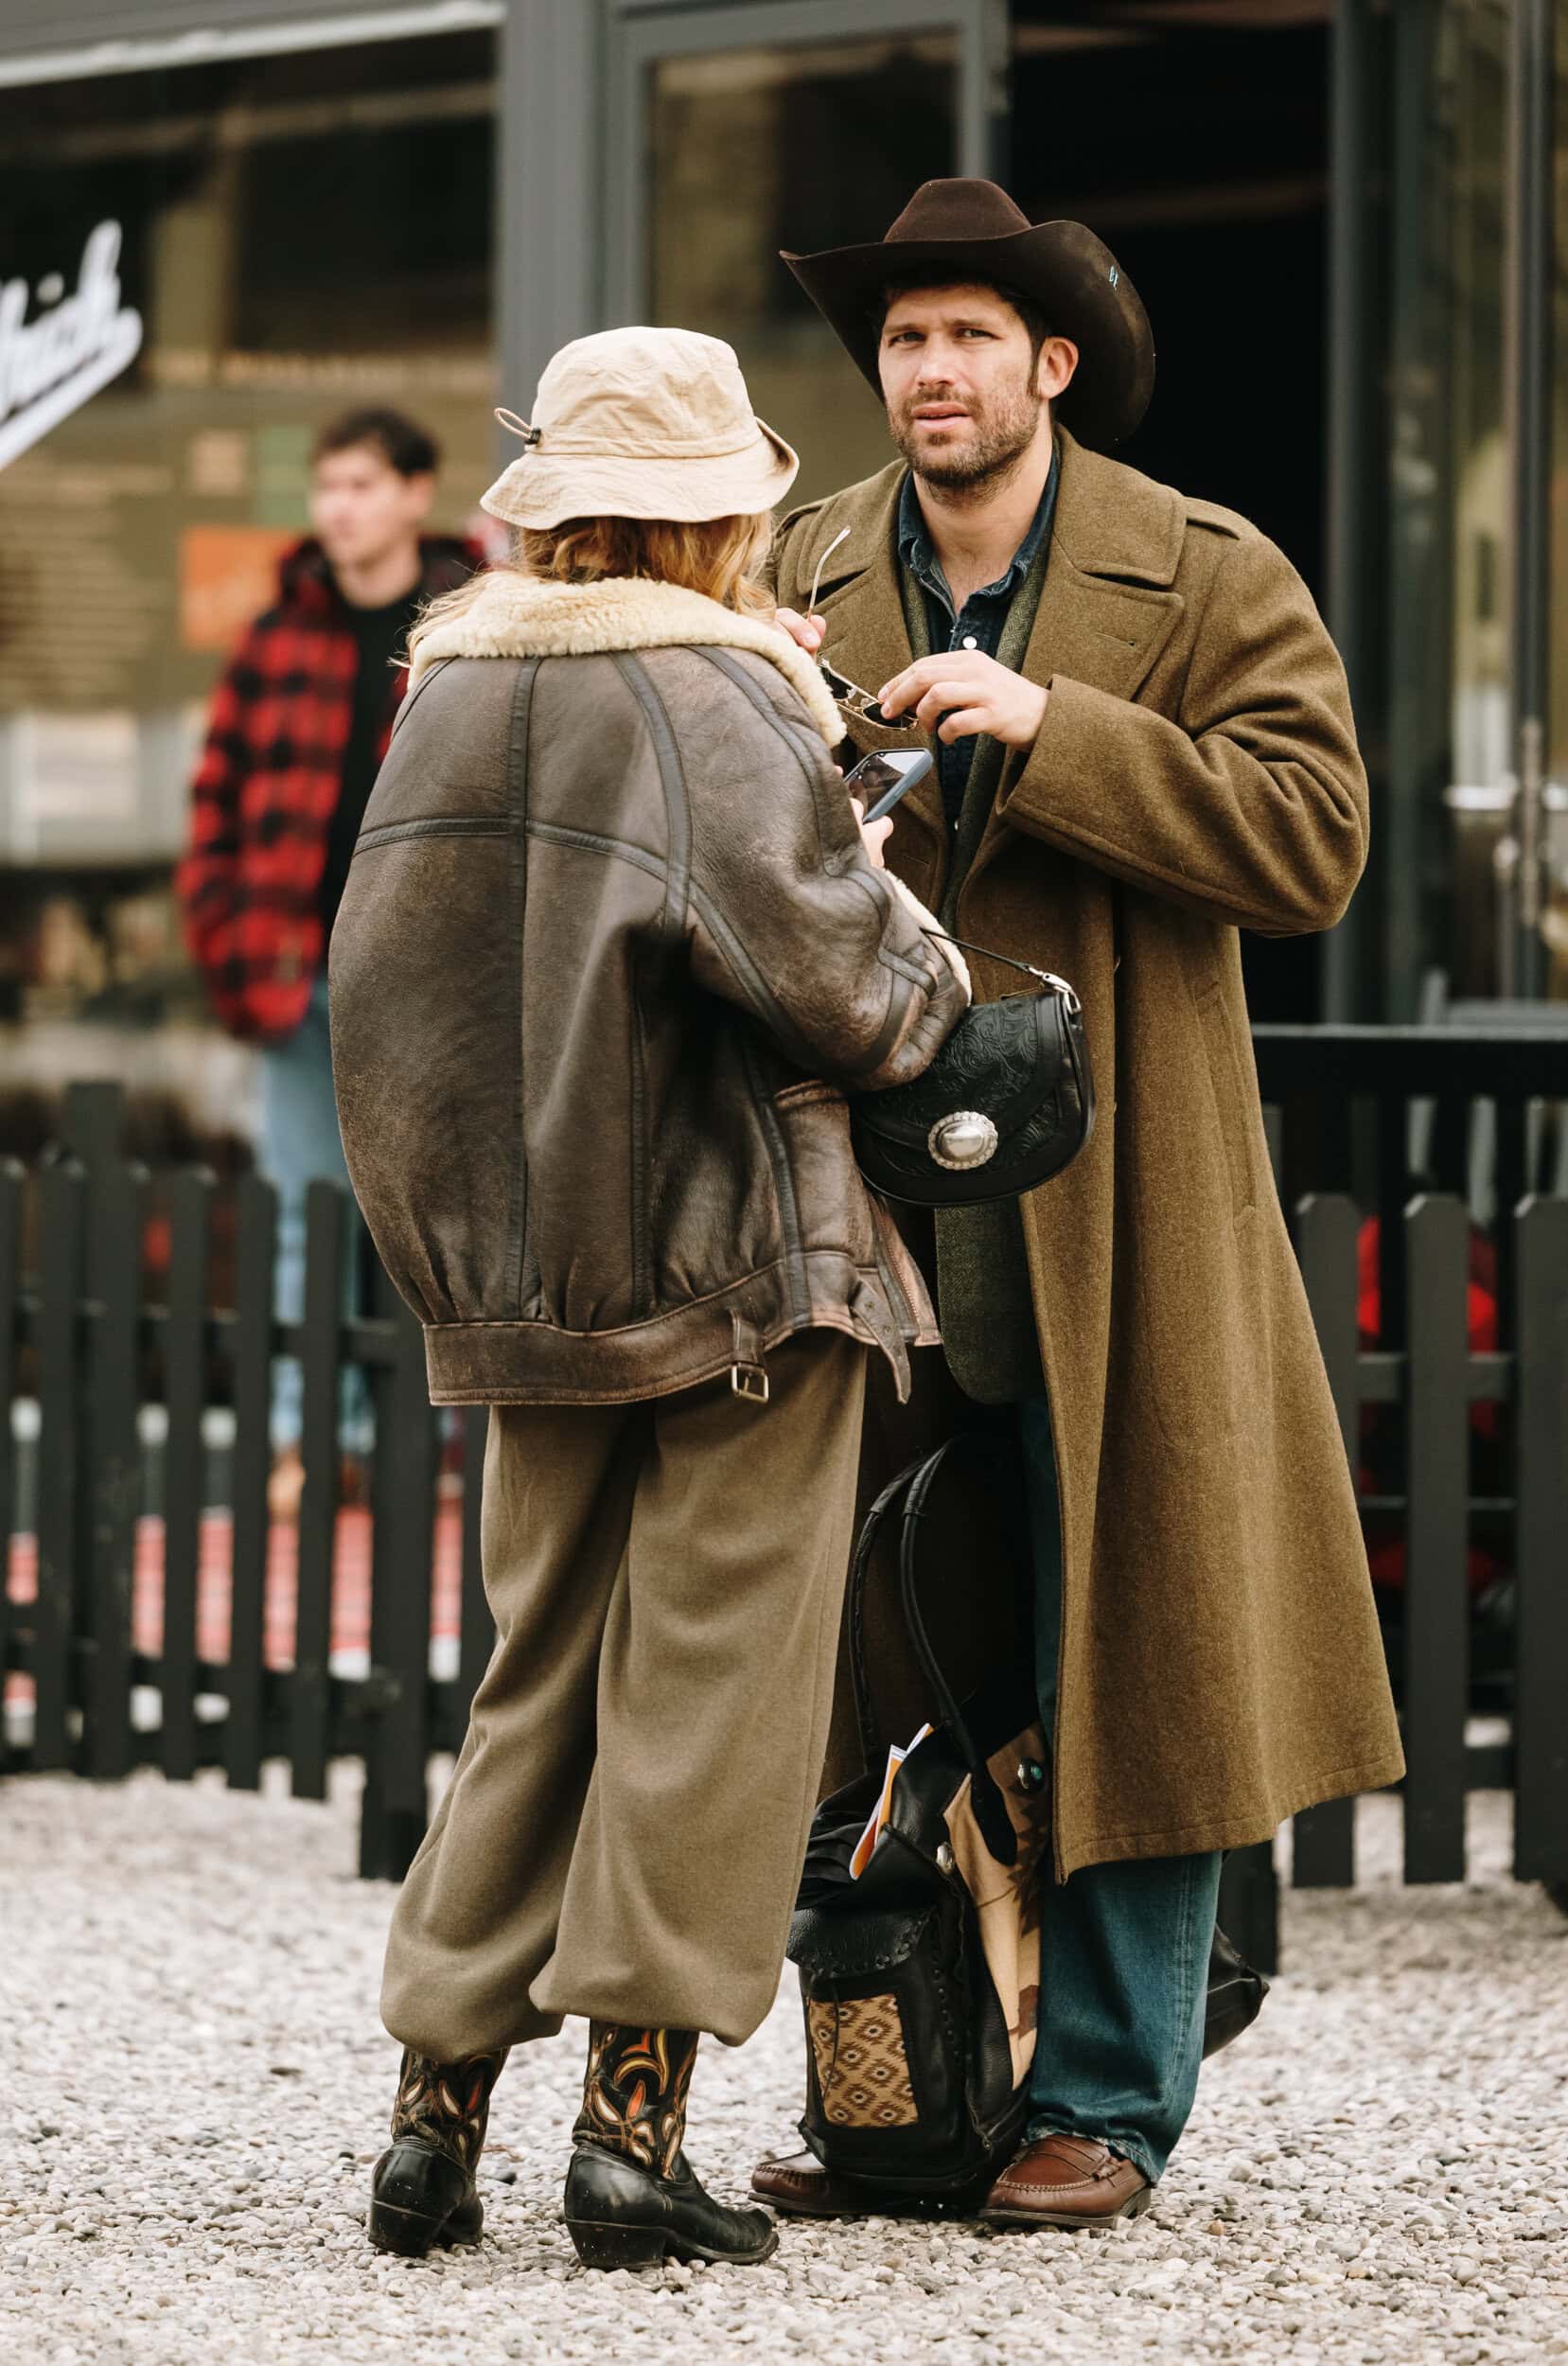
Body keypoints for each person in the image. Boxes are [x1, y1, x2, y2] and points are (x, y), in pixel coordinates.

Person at [752, 177, 1405, 2231]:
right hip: (869, 1197)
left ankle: (1104, 2103)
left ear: (1044, 365)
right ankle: (901, 2095)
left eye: (964, 337)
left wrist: (1058, 729)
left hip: (1116, 1196)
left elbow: (1311, 842)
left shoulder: (1201, 570)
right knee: (877, 1656)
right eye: (899, 338)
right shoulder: (797, 567)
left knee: (1134, 1633)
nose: (923, 372)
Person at [326, 327, 968, 2269]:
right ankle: (634, 2128)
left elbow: (383, 1004)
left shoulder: (443, 688)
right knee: (712, 1687)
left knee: (536, 1673)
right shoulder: (710, 686)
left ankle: (432, 2117)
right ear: (717, 512)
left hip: (534, 1275)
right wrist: (879, 874)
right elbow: (857, 993)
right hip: (738, 1270)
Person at [175, 409, 482, 1512]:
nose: (337, 508)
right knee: (308, 1217)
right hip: (296, 980)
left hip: (432, 984)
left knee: (440, 1216)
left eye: (360, 484)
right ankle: (317, 1444)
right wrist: (227, 942)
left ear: (413, 492)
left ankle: (451, 1454)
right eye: (326, 487)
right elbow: (214, 806)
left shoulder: (472, 622)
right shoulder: (278, 635)